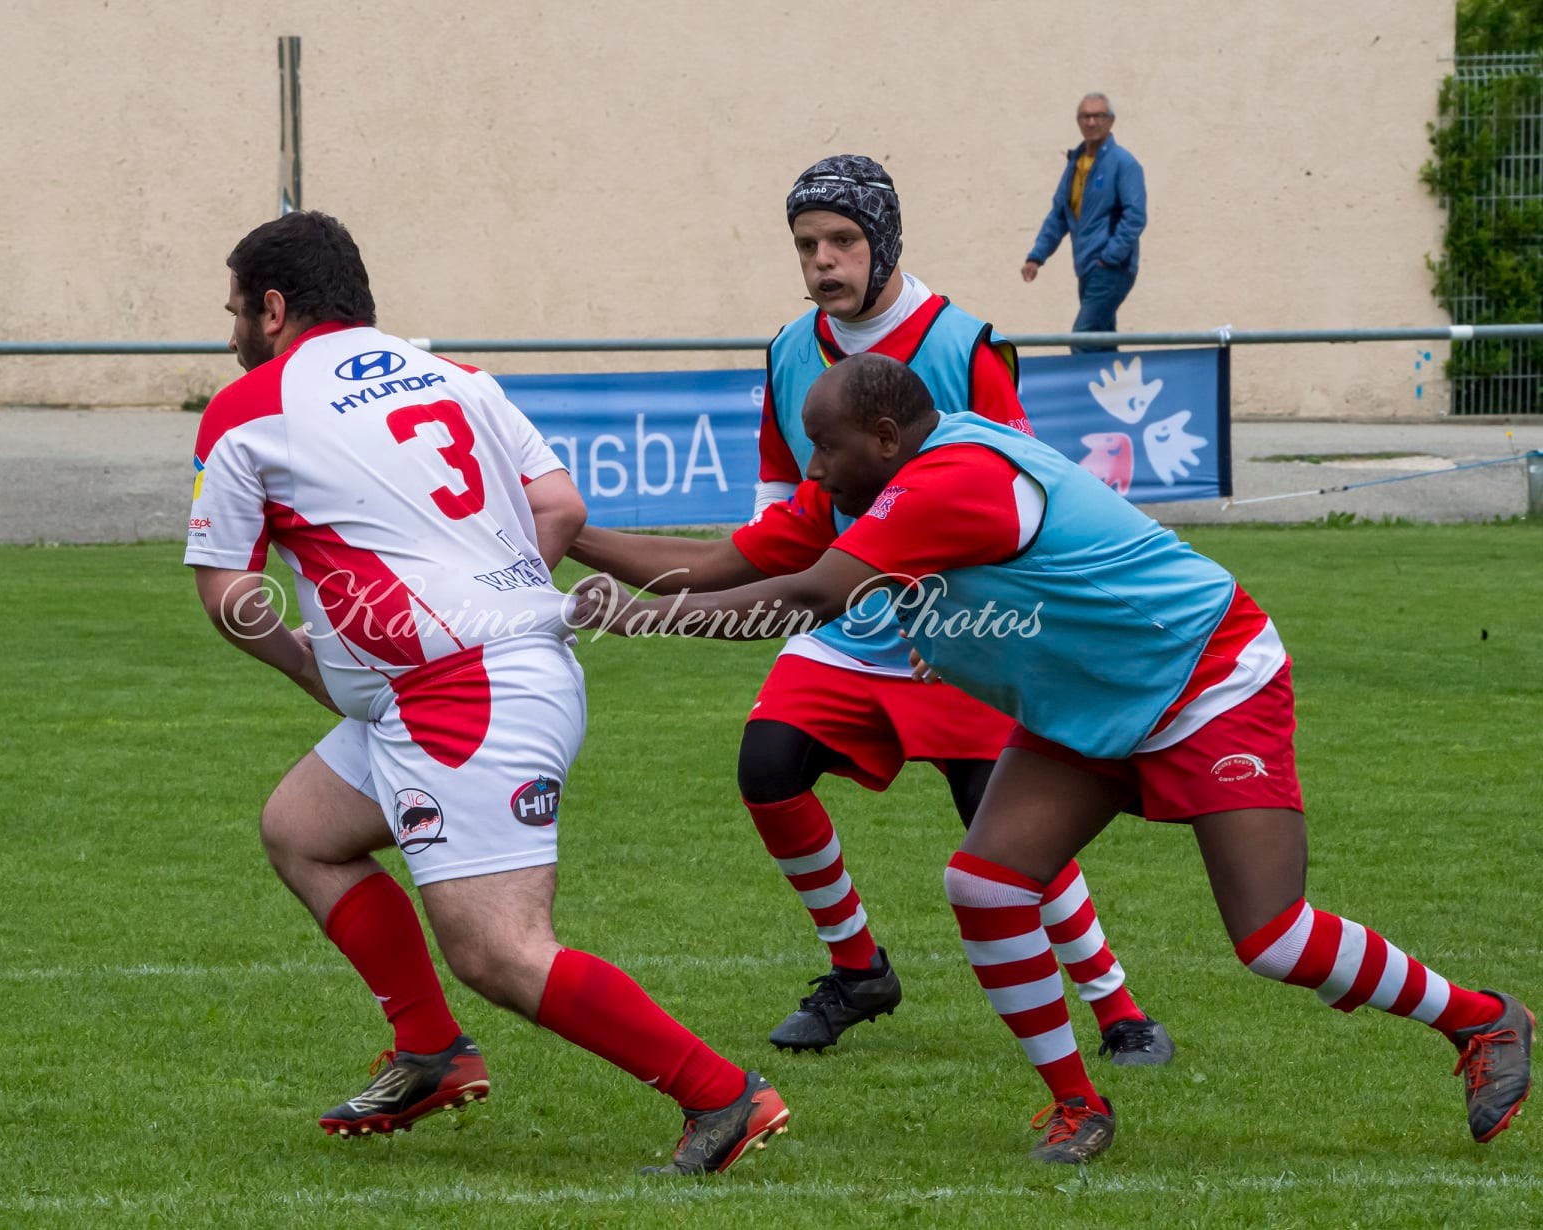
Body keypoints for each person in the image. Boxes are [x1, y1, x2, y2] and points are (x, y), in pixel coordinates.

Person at [569, 353, 1533, 1164]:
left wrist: (638, 619)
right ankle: (1081, 1105)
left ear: (887, 437)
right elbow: (725, 559)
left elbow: (809, 598)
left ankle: (1484, 1019)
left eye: (826, 445)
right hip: (1088, 703)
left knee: (1272, 939)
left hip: (1205, 677)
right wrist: (576, 539)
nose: (812, 469)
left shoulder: (947, 481)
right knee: (986, 885)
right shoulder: (873, 490)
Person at [184, 210, 789, 1175]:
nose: (229, 338)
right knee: (302, 828)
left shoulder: (251, 408)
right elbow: (562, 508)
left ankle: (723, 1095)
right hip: (486, 672)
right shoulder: (457, 376)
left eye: (233, 315)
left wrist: (314, 667)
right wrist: (492, 599)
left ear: (273, 306)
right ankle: (430, 1050)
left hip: (460, 696)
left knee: (500, 951)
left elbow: (229, 594)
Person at [571, 154, 1174, 1066]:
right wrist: (575, 533)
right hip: (846, 618)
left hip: (964, 623)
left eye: (844, 240)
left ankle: (1118, 1008)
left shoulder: (965, 342)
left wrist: (960, 618)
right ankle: (858, 970)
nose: (823, 260)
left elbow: (1023, 502)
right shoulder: (786, 350)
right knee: (767, 766)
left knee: (1002, 818)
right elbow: (785, 522)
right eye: (808, 243)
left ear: (884, 240)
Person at [1021, 93, 1147, 352]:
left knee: (1083, 338)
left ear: (1111, 121)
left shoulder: (1123, 163)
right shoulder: (1075, 164)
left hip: (1112, 268)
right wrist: (1036, 257)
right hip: (1087, 268)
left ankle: (1082, 391)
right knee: (1101, 341)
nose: (1091, 122)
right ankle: (1113, 391)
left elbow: (1135, 217)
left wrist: (1110, 257)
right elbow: (1059, 216)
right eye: (1085, 116)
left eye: (1098, 116)